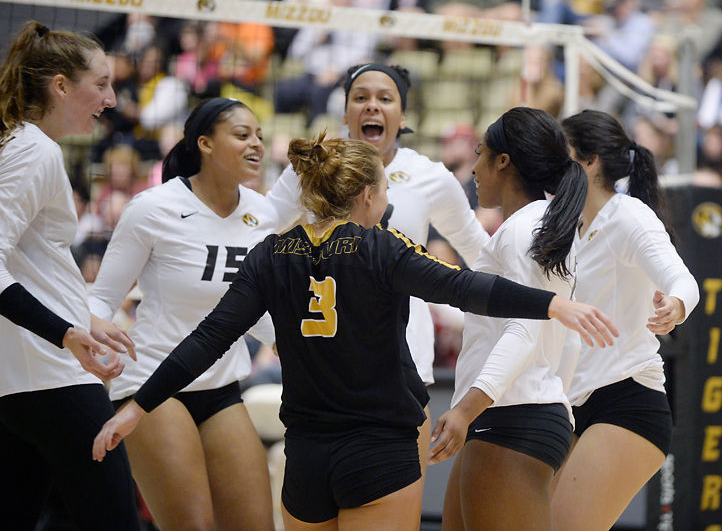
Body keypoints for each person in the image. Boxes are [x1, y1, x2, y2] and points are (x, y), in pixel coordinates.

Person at [93, 133, 617, 531]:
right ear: (366, 194)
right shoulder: (381, 246)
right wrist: (552, 305)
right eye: (385, 191)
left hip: (307, 456)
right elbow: (468, 289)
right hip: (378, 451)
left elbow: (206, 339)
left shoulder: (269, 255)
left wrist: (139, 406)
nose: (388, 203)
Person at [88, 98, 302, 531]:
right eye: (242, 135)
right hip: (152, 382)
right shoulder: (153, 209)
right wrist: (93, 342)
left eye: (259, 136)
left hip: (221, 384)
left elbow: (248, 308)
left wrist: (294, 344)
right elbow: (99, 300)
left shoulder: (261, 214)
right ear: (204, 143)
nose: (256, 144)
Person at [269, 63, 490, 465]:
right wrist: (274, 331)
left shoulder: (429, 177)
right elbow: (256, 246)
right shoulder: (309, 171)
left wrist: (534, 299)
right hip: (325, 355)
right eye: (361, 97)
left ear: (402, 117)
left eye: (385, 99)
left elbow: (481, 254)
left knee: (393, 494)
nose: (372, 106)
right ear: (345, 113)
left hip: (402, 359)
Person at [0, 21, 140, 529]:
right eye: (100, 84)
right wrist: (64, 330)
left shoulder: (21, 144)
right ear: (61, 85)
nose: (110, 98)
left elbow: (25, 262)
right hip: (51, 374)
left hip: (23, 379)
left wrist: (80, 312)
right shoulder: (34, 150)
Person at [434, 107, 589, 531]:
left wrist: (465, 410)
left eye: (481, 154)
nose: (475, 170)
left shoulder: (525, 229)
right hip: (513, 414)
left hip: (511, 418)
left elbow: (526, 328)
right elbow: (567, 339)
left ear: (503, 161)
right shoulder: (539, 225)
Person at [551, 110, 700, 530]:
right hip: (572, 402)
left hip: (627, 400)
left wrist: (675, 305)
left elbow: (683, 279)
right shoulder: (568, 224)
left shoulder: (628, 215)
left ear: (590, 161)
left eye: (561, 152)